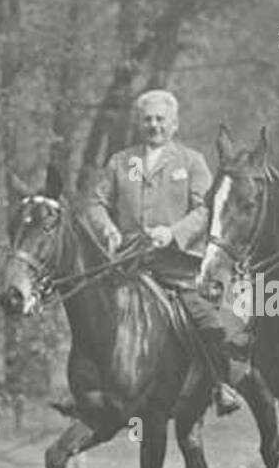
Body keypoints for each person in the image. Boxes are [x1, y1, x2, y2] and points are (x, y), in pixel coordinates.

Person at [83, 89, 242, 415]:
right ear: (140, 124)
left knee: (206, 320)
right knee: (90, 310)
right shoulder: (121, 162)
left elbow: (205, 211)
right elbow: (96, 203)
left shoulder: (191, 161)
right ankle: (88, 388)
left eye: (160, 119)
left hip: (177, 263)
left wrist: (173, 233)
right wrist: (109, 230)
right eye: (148, 119)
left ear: (174, 124)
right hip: (127, 260)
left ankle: (218, 385)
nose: (153, 125)